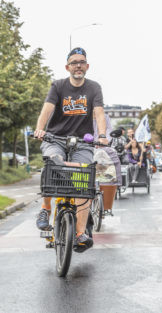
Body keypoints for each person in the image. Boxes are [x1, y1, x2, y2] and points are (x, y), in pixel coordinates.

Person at [34, 47, 108, 251]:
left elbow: (99, 114)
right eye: (74, 62)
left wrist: (102, 136)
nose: (78, 65)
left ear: (87, 66)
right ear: (67, 67)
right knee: (53, 163)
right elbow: (46, 110)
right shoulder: (58, 86)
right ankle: (45, 209)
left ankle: (79, 234)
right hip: (55, 138)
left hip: (82, 143)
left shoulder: (94, 88)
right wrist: (40, 129)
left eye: (82, 62)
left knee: (84, 180)